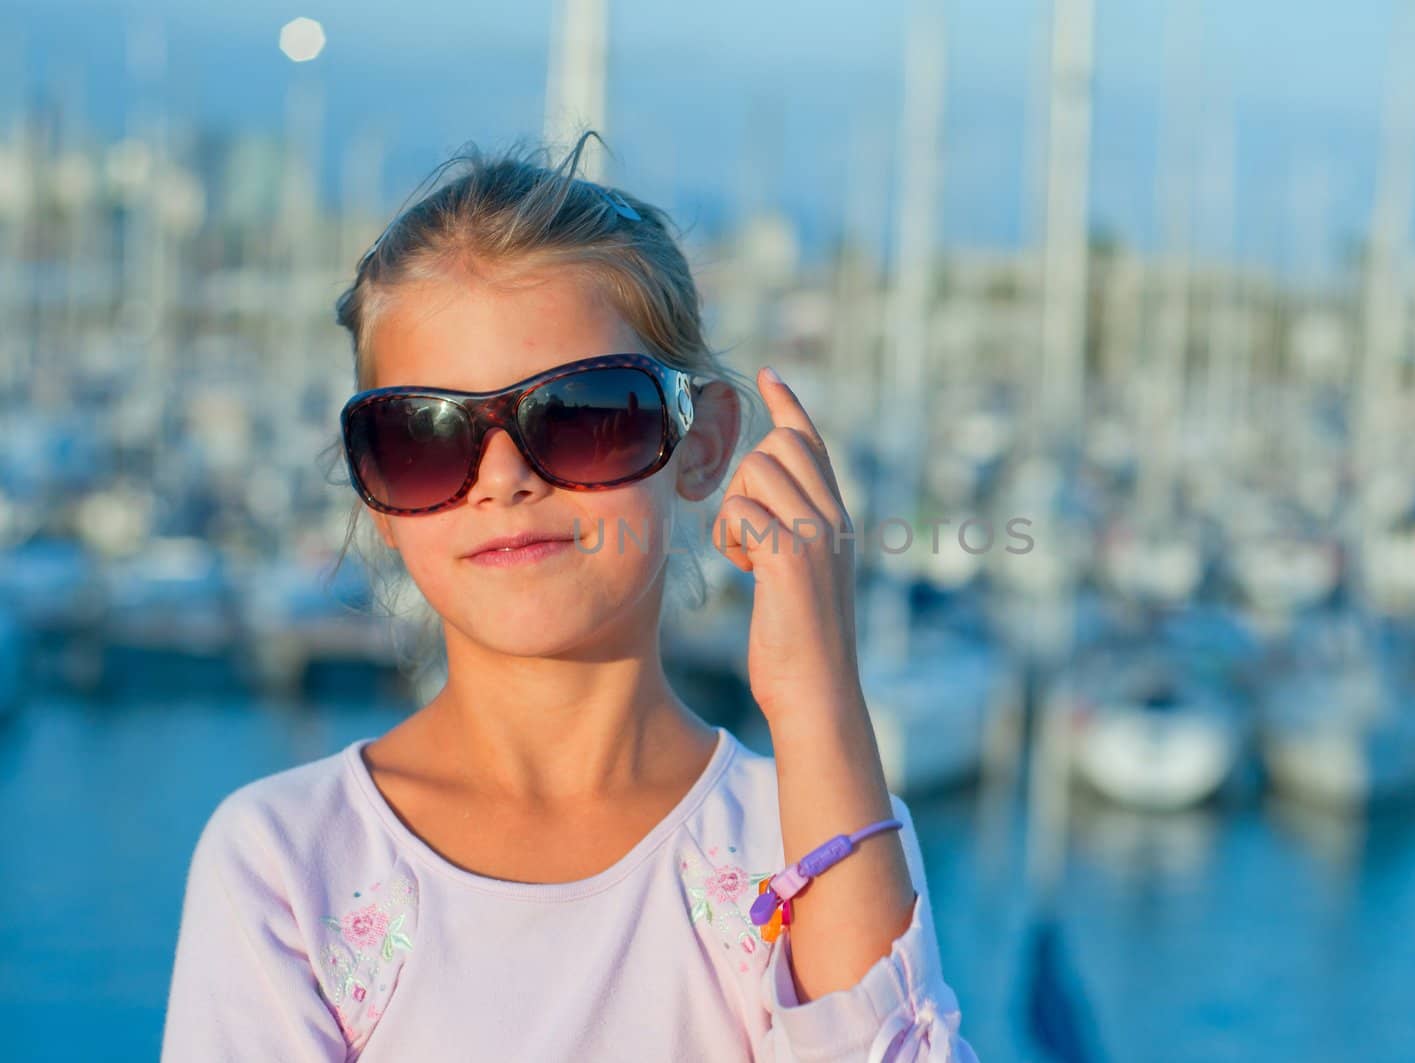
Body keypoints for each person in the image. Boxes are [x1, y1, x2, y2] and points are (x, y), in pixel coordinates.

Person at [160, 131, 976, 1062]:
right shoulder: (286, 863)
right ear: (377, 493)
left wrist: (818, 693)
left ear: (702, 444)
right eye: (425, 436)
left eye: (585, 415)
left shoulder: (815, 829)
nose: (501, 476)